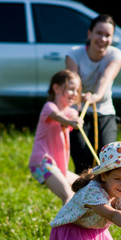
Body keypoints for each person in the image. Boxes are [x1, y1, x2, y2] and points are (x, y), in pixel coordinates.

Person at [66, 14, 121, 174]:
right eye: (99, 33)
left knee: (108, 161)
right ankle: (83, 198)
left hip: (104, 112)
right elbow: (73, 82)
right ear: (89, 33)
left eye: (108, 35)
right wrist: (80, 97)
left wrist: (95, 96)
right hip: (78, 112)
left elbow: (106, 78)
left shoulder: (116, 55)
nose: (103, 39)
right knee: (83, 165)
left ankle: (106, 198)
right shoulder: (74, 54)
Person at [29, 70, 84, 204]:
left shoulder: (71, 111)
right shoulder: (49, 108)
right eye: (71, 89)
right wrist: (72, 122)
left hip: (59, 166)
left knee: (88, 187)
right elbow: (59, 117)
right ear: (56, 88)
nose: (75, 94)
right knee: (68, 195)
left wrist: (78, 120)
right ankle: (63, 226)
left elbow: (74, 116)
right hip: (41, 163)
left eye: (77, 91)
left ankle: (82, 224)